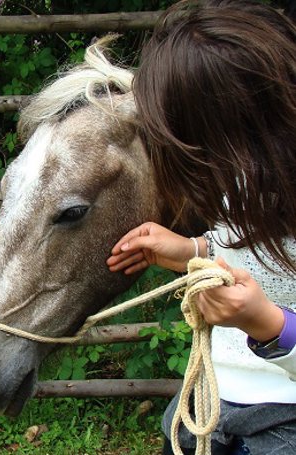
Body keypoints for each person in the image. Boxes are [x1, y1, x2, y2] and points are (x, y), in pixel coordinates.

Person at [105, 1, 296, 454]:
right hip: (217, 395)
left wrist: (268, 325)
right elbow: (263, 261)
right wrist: (194, 251)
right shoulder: (247, 178)